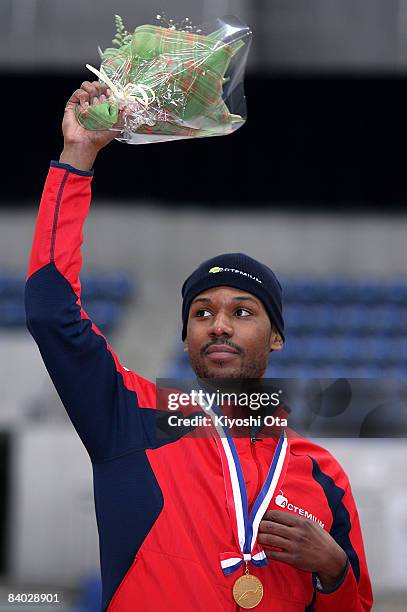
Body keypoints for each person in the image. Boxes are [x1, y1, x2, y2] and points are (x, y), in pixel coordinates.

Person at [25, 81, 374, 612]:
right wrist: (78, 155)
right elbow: (51, 312)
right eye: (202, 313)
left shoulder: (320, 473)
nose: (218, 325)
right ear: (185, 337)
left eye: (243, 312)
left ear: (275, 337)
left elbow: (353, 607)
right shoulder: (132, 416)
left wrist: (333, 569)